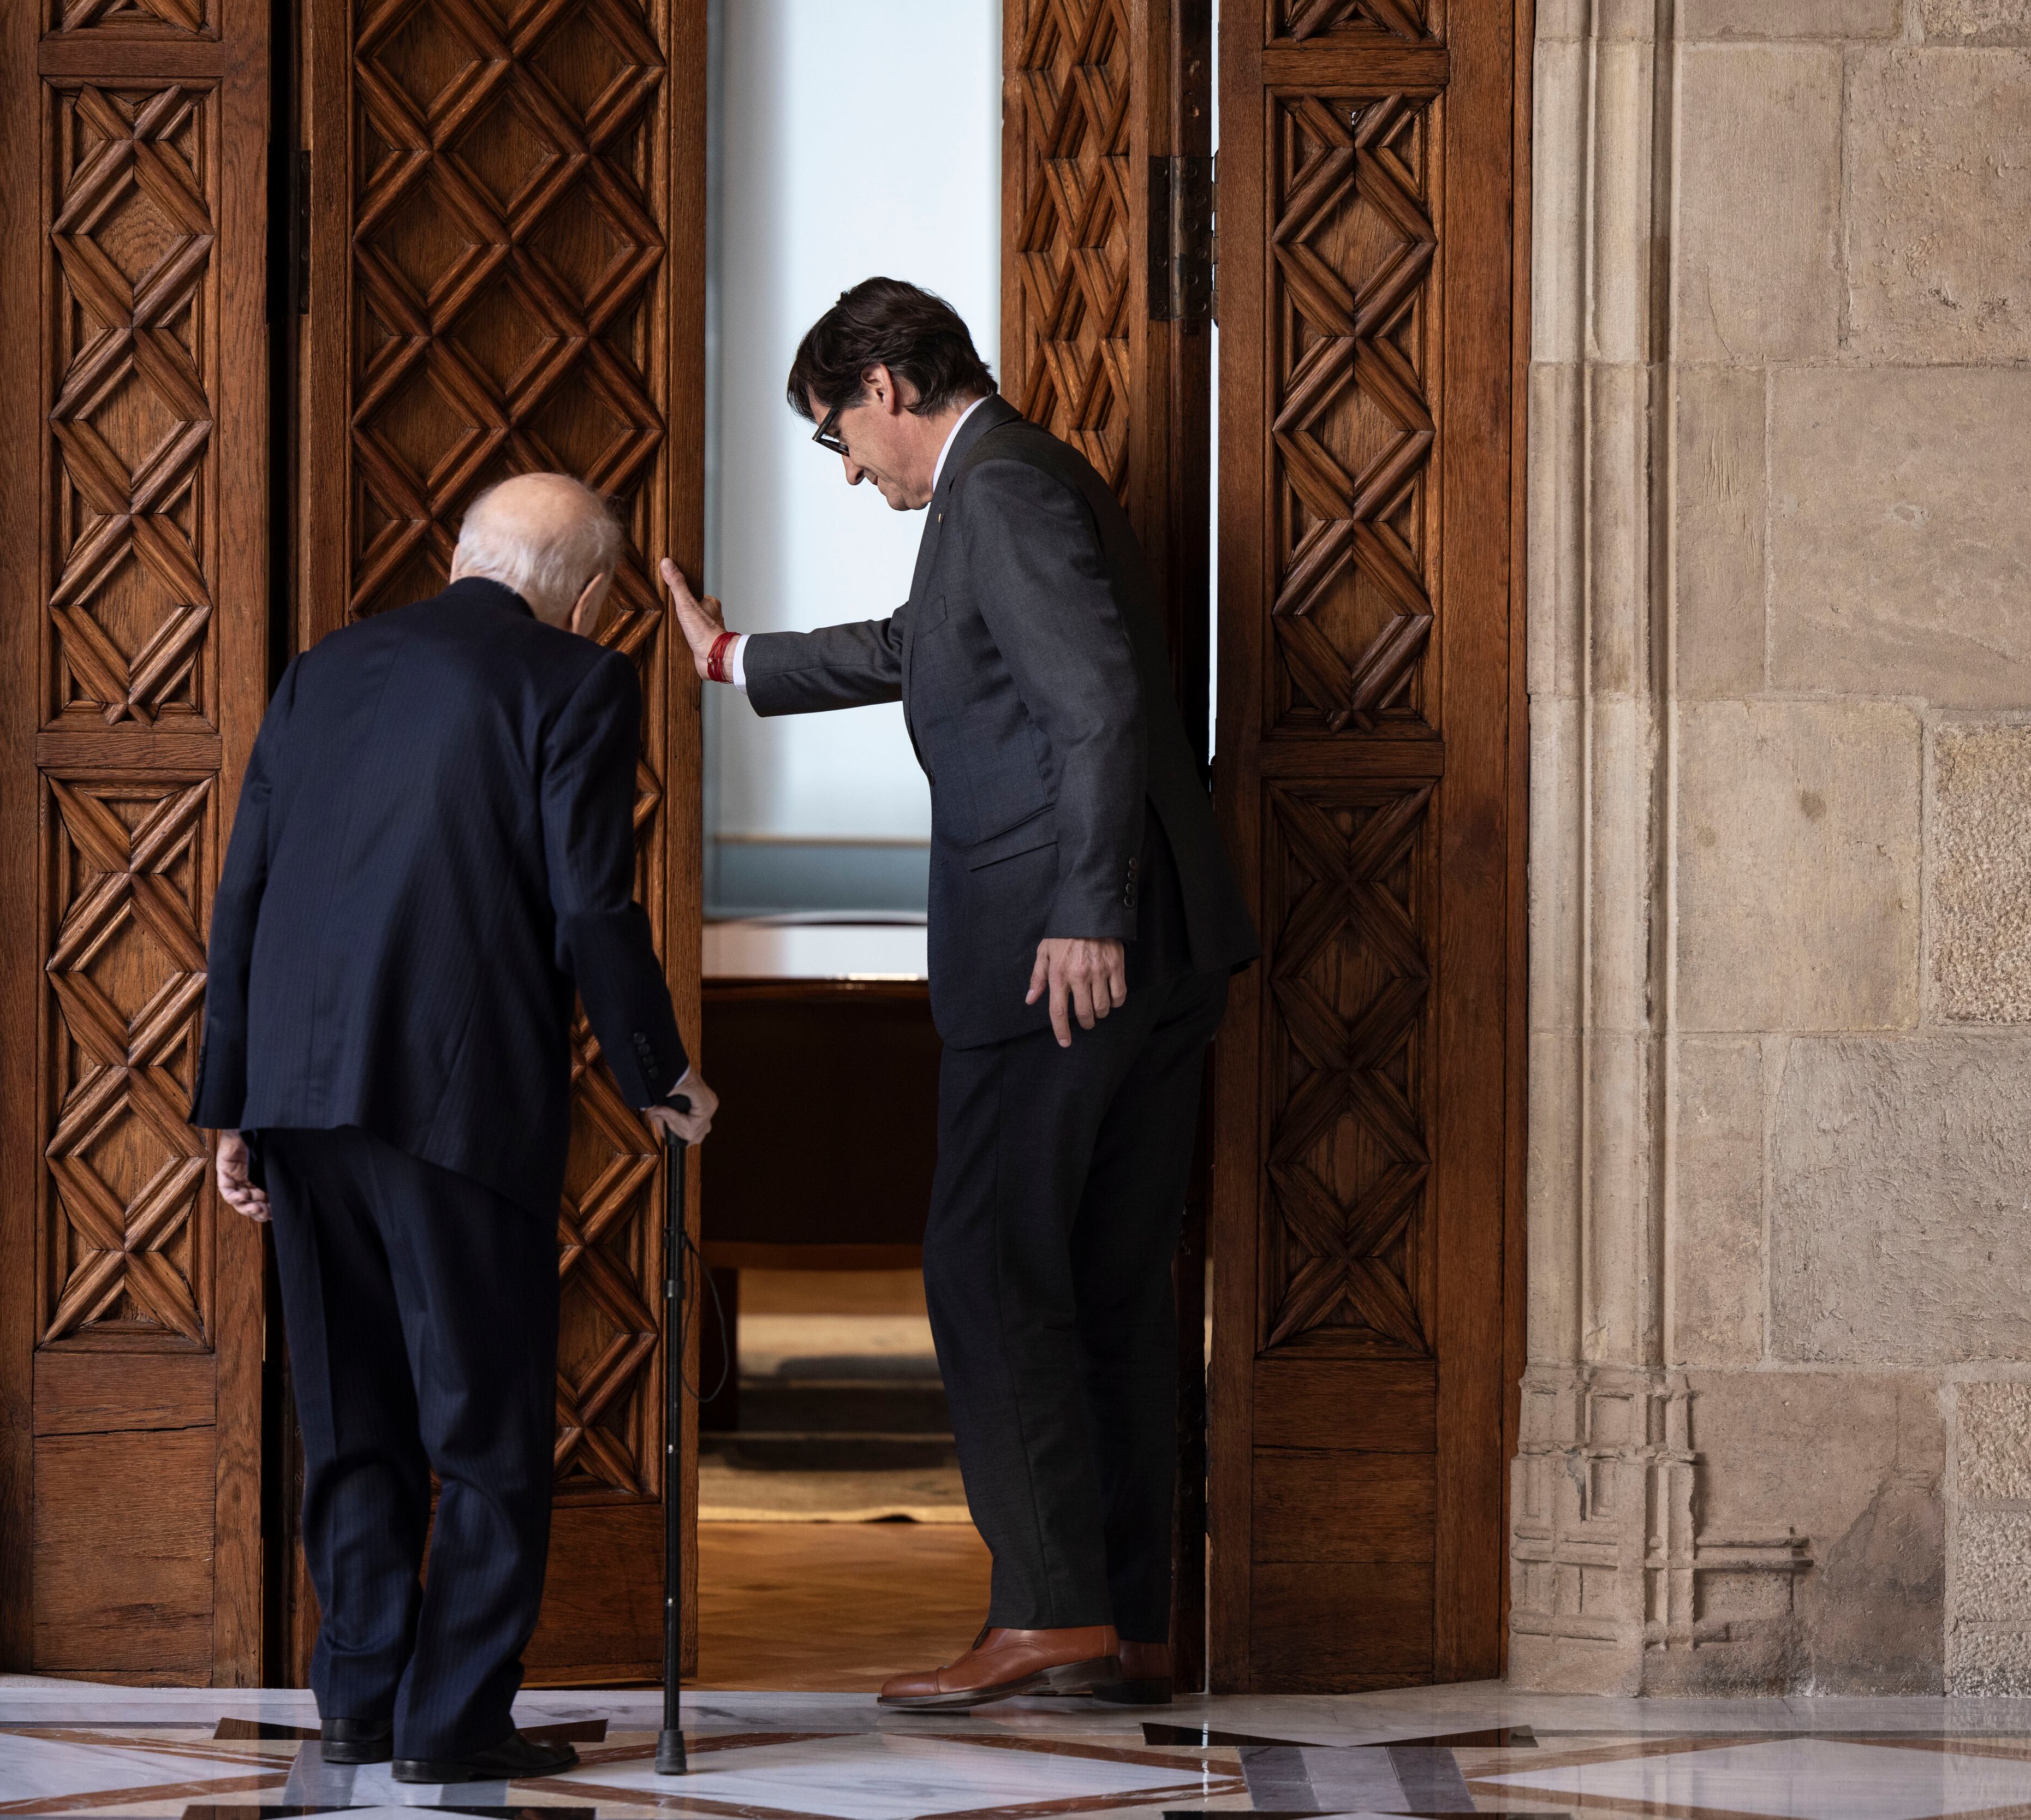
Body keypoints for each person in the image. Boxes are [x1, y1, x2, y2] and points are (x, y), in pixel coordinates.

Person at [662, 278, 1256, 1711]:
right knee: (1100, 1282)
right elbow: (925, 652)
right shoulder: (1016, 483)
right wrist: (736, 658)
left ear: (884, 383)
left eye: (839, 437)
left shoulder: (997, 494)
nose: (853, 471)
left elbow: (1101, 699)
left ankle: (1050, 1611)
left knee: (988, 1271)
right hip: (1140, 952)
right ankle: (1124, 1613)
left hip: (1063, 959)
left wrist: (1087, 912)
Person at [193, 473, 716, 1783]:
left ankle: (361, 1701)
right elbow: (592, 909)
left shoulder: (328, 667)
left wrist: (231, 1107)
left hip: (301, 1102)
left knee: (351, 1412)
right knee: (480, 1427)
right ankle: (452, 1721)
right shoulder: (575, 680)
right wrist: (660, 1072)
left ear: (460, 554)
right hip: (453, 1101)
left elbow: (244, 889)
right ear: (591, 594)